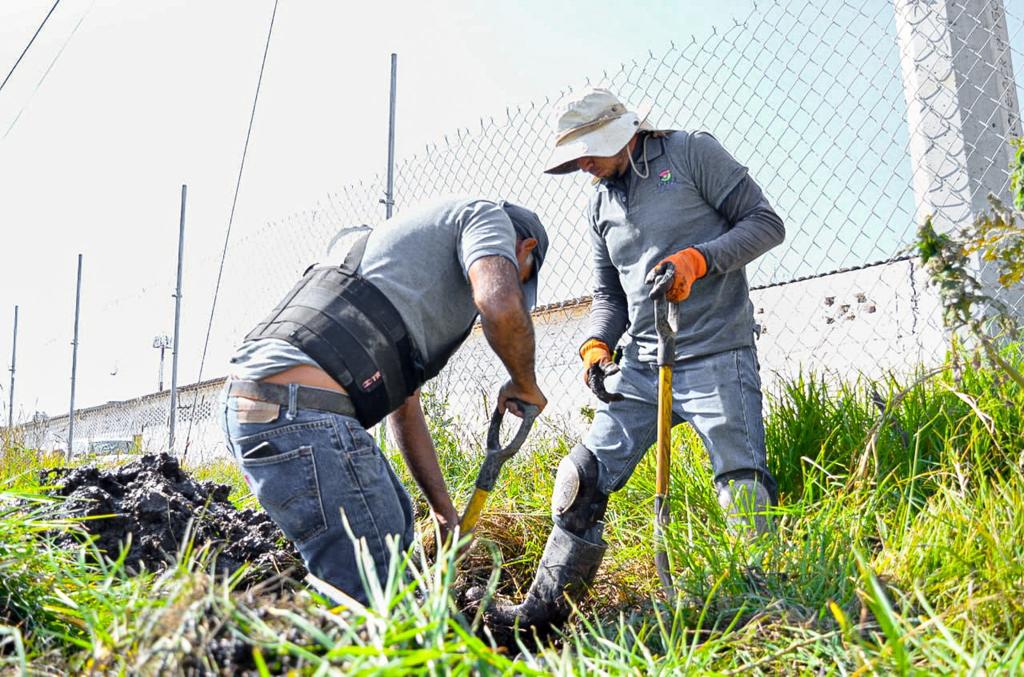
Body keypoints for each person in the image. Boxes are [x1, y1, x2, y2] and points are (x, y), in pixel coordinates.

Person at [489, 88, 785, 627]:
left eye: (587, 152)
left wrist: (700, 260)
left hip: (717, 352)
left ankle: (764, 610)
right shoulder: (600, 202)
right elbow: (609, 296)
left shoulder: (691, 152)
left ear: (619, 133)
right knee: (578, 478)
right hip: (644, 367)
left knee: (742, 489)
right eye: (575, 157)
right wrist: (596, 345)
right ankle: (544, 615)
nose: (583, 165)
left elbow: (766, 224)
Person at [220, 197, 549, 604]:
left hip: (252, 411)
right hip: (303, 418)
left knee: (393, 526)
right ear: (524, 249)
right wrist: (524, 382)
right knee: (381, 601)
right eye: (523, 276)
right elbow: (500, 304)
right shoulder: (485, 216)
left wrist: (444, 512)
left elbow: (404, 407)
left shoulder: (391, 267)